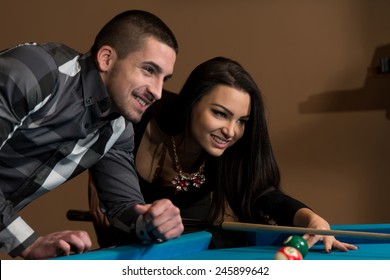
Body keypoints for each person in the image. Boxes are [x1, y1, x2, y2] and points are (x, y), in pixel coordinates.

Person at [89, 57, 358, 252]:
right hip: (127, 223)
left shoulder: (230, 150)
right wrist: (98, 182)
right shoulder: (144, 115)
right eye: (220, 113)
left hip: (184, 231)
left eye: (242, 120)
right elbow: (105, 135)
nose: (231, 131)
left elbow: (263, 195)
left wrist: (311, 219)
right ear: (192, 102)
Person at [0, 9, 183, 260]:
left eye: (165, 78)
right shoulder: (36, 71)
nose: (158, 92)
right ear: (106, 58)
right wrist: (27, 243)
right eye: (149, 70)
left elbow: (123, 210)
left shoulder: (118, 129)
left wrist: (151, 222)